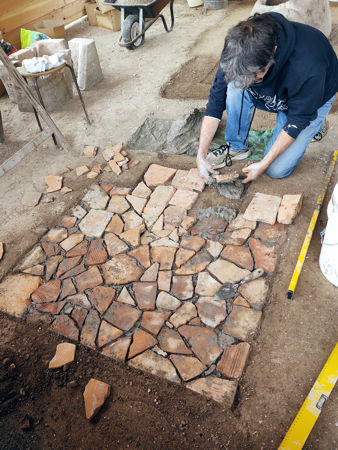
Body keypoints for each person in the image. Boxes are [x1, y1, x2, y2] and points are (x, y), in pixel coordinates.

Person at [196, 13, 338, 183]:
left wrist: (264, 163)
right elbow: (215, 102)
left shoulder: (308, 67)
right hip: (274, 92)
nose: (248, 82)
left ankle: (316, 124)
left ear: (274, 52)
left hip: (309, 100)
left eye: (255, 76)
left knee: (275, 169)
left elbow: (298, 119)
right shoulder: (236, 50)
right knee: (234, 86)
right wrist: (201, 154)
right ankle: (237, 146)